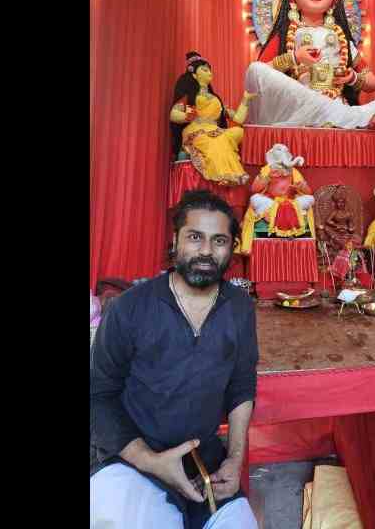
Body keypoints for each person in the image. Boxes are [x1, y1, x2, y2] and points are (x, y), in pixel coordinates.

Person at [90, 190, 259, 529]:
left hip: (205, 462)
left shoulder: (240, 307)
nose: (207, 252)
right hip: (131, 458)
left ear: (232, 247)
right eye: (195, 237)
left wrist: (235, 460)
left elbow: (241, 386)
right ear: (175, 240)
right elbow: (98, 395)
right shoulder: (131, 307)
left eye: (219, 240)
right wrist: (150, 461)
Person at [244, 0, 375, 130]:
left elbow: (373, 83)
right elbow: (258, 76)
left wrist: (352, 78)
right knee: (255, 69)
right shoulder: (285, 34)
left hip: (337, 102)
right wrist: (295, 58)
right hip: (301, 105)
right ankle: (357, 120)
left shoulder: (340, 37)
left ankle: (350, 118)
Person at [170, 51, 257, 186]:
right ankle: (226, 175)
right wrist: (187, 116)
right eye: (204, 70)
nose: (209, 72)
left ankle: (231, 175)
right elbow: (173, 114)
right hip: (196, 129)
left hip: (215, 129)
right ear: (194, 75)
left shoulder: (216, 99)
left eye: (210, 70)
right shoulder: (190, 96)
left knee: (240, 131)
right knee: (216, 140)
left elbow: (239, 119)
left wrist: (245, 99)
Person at [238, 143, 314, 255]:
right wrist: (267, 178)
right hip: (271, 203)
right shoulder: (267, 169)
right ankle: (277, 214)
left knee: (310, 199)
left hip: (290, 203)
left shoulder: (293, 171)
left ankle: (286, 218)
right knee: (255, 198)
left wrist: (301, 187)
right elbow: (254, 189)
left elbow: (309, 192)